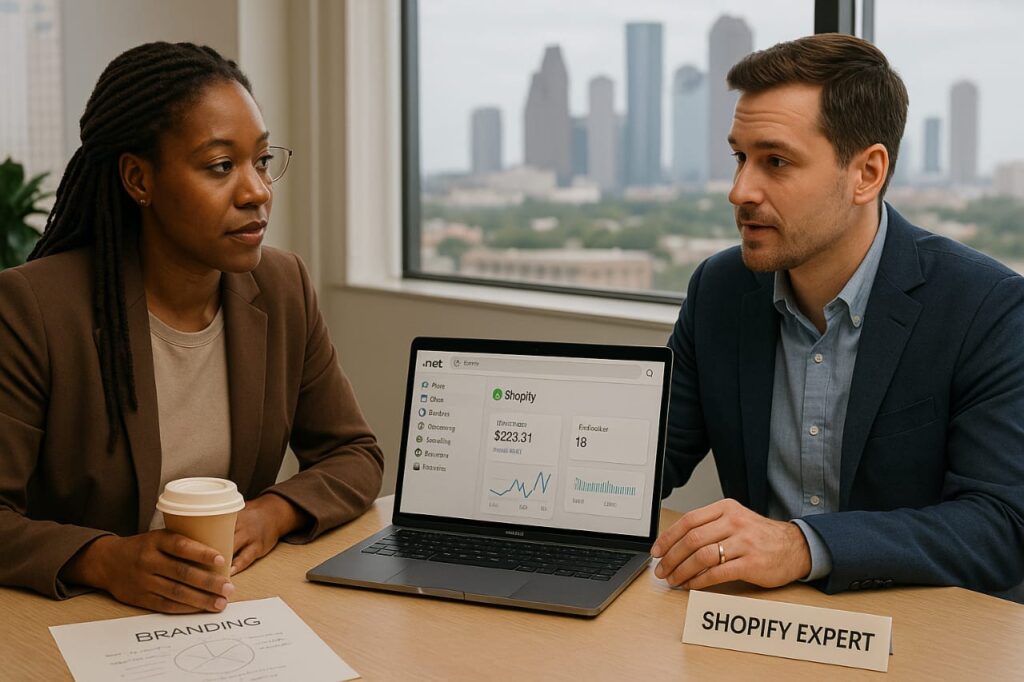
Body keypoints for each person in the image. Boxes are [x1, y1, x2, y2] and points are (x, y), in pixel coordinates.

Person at [0, 42, 384, 613]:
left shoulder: (282, 287)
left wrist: (270, 513)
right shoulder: (34, 307)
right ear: (139, 179)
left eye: (261, 160)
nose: (257, 191)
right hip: (79, 619)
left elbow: (354, 453)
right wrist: (103, 558)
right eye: (221, 166)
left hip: (231, 611)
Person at [652, 33, 1024, 601]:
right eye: (740, 157)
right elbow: (647, 458)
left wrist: (803, 546)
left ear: (867, 174)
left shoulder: (986, 307)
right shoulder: (719, 290)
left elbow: (1000, 527)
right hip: (760, 625)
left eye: (775, 161)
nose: (739, 190)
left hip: (922, 633)